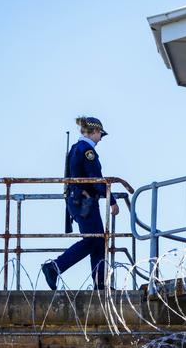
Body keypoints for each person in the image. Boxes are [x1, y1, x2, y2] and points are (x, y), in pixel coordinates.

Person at [41, 116, 119, 290]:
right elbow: (95, 179)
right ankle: (54, 267)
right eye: (100, 134)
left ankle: (100, 283)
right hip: (84, 202)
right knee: (93, 240)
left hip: (82, 201)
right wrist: (112, 200)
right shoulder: (86, 150)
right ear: (94, 132)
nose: (100, 139)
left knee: (99, 240)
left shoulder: (78, 148)